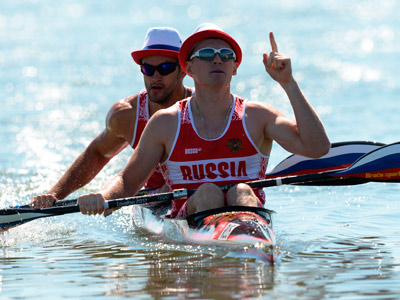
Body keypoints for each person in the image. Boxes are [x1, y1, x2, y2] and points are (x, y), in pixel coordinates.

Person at [77, 23, 330, 217]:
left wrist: (289, 84)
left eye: (226, 54)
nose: (217, 59)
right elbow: (128, 180)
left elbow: (317, 148)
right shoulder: (166, 123)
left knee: (242, 191)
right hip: (187, 220)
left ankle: (245, 256)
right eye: (207, 53)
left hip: (248, 220)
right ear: (189, 68)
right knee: (208, 192)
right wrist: (103, 197)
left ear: (235, 67)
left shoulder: (257, 116)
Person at [31, 27, 193, 208]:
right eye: (148, 69)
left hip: (198, 195)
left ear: (183, 70)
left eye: (165, 68)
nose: (155, 77)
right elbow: (98, 154)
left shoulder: (206, 108)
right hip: (155, 201)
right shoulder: (126, 114)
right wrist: (53, 195)